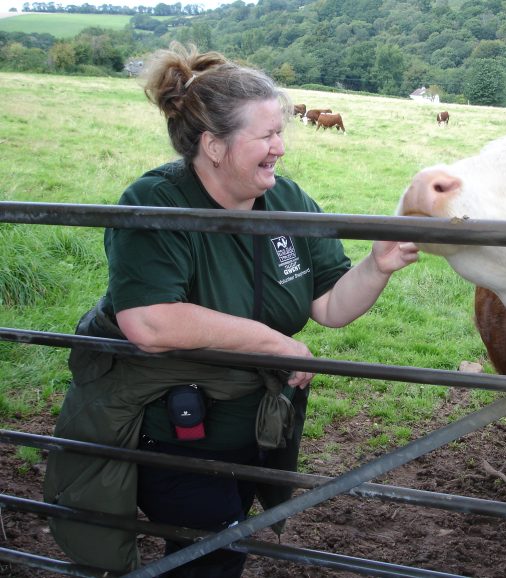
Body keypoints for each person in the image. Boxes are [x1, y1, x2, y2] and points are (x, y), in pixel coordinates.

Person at [42, 42, 419, 576]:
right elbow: (149, 321)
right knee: (213, 556)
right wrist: (276, 344)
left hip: (252, 428)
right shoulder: (158, 202)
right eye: (266, 136)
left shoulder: (286, 201)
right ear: (214, 145)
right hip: (168, 432)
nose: (280, 148)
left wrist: (377, 266)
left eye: (280, 133)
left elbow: (331, 305)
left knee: (224, 541)